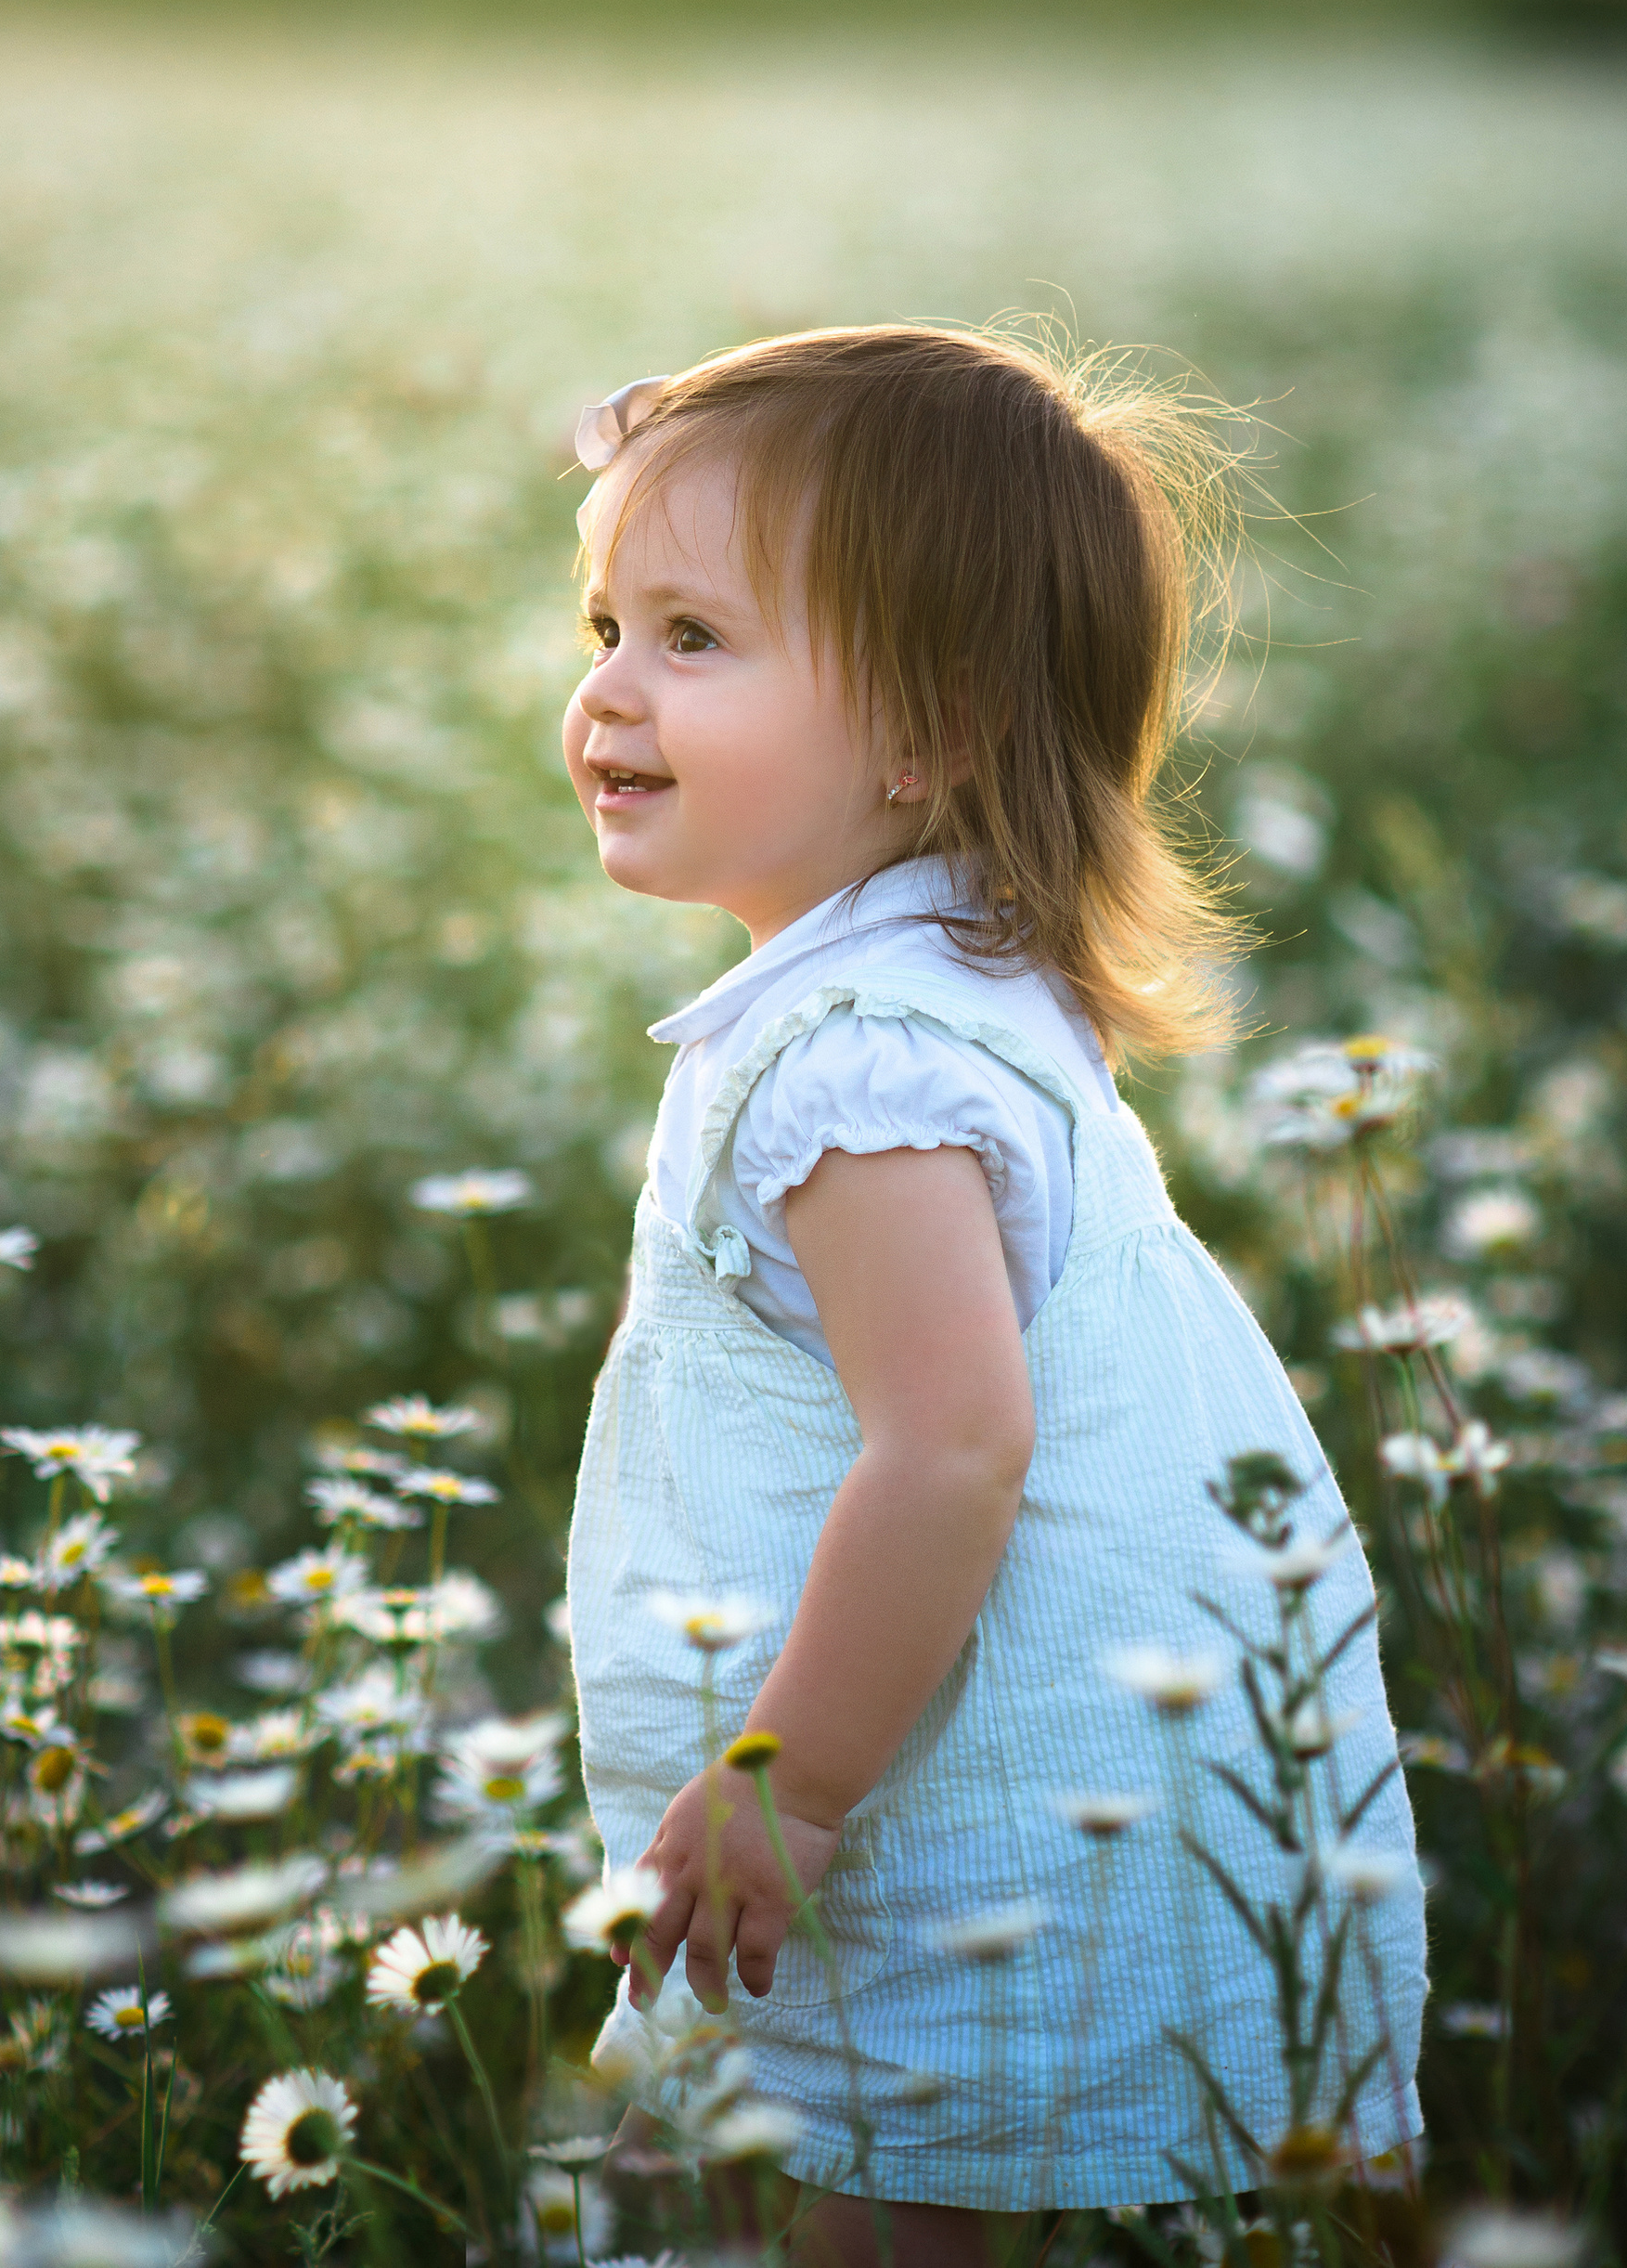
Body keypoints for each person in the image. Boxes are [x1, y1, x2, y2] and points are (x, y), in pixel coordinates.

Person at [561, 326, 1424, 2263]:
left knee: (886, 2202)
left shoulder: (858, 1070)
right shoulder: (938, 970)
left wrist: (789, 1780)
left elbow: (955, 1445)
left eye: (692, 639)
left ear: (925, 728)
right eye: (605, 621)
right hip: (983, 1742)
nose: (604, 692)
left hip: (951, 1792)